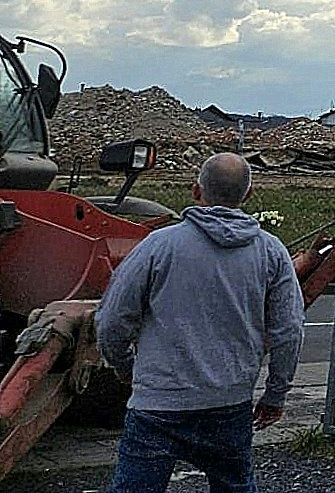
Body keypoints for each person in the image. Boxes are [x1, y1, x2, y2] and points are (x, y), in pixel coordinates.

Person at [97, 152, 303, 493]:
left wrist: (124, 366)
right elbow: (289, 330)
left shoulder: (158, 245)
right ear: (248, 196)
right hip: (230, 404)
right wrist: (275, 394)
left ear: (196, 191)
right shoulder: (271, 251)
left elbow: (113, 319)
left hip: (158, 405)